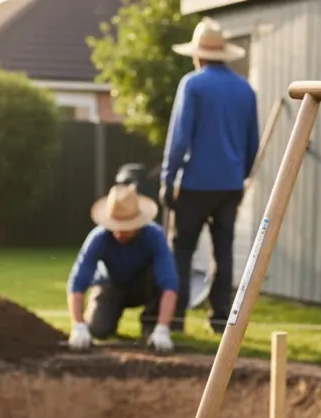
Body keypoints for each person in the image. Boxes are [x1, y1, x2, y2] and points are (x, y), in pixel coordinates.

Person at [160, 17, 259, 334]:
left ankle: (175, 318)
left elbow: (179, 138)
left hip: (195, 185)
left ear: (199, 55)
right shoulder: (245, 90)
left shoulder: (193, 85)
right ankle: (219, 319)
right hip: (230, 185)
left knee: (182, 251)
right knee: (224, 252)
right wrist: (240, 177)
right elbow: (252, 144)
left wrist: (168, 178)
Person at [66, 184, 180, 353]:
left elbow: (170, 284)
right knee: (98, 329)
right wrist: (78, 325)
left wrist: (163, 327)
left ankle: (152, 327)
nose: (120, 232)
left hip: (145, 286)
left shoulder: (155, 236)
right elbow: (76, 283)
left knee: (156, 283)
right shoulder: (98, 238)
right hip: (110, 285)